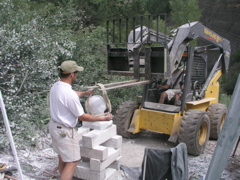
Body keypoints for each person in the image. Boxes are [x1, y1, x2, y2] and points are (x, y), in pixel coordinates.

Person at [49, 60, 113, 180]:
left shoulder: (56, 86)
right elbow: (82, 116)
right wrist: (103, 118)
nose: (77, 75)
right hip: (64, 131)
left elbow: (71, 94)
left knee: (63, 157)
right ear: (72, 74)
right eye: (76, 73)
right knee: (73, 161)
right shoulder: (70, 95)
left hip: (54, 127)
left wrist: (85, 93)